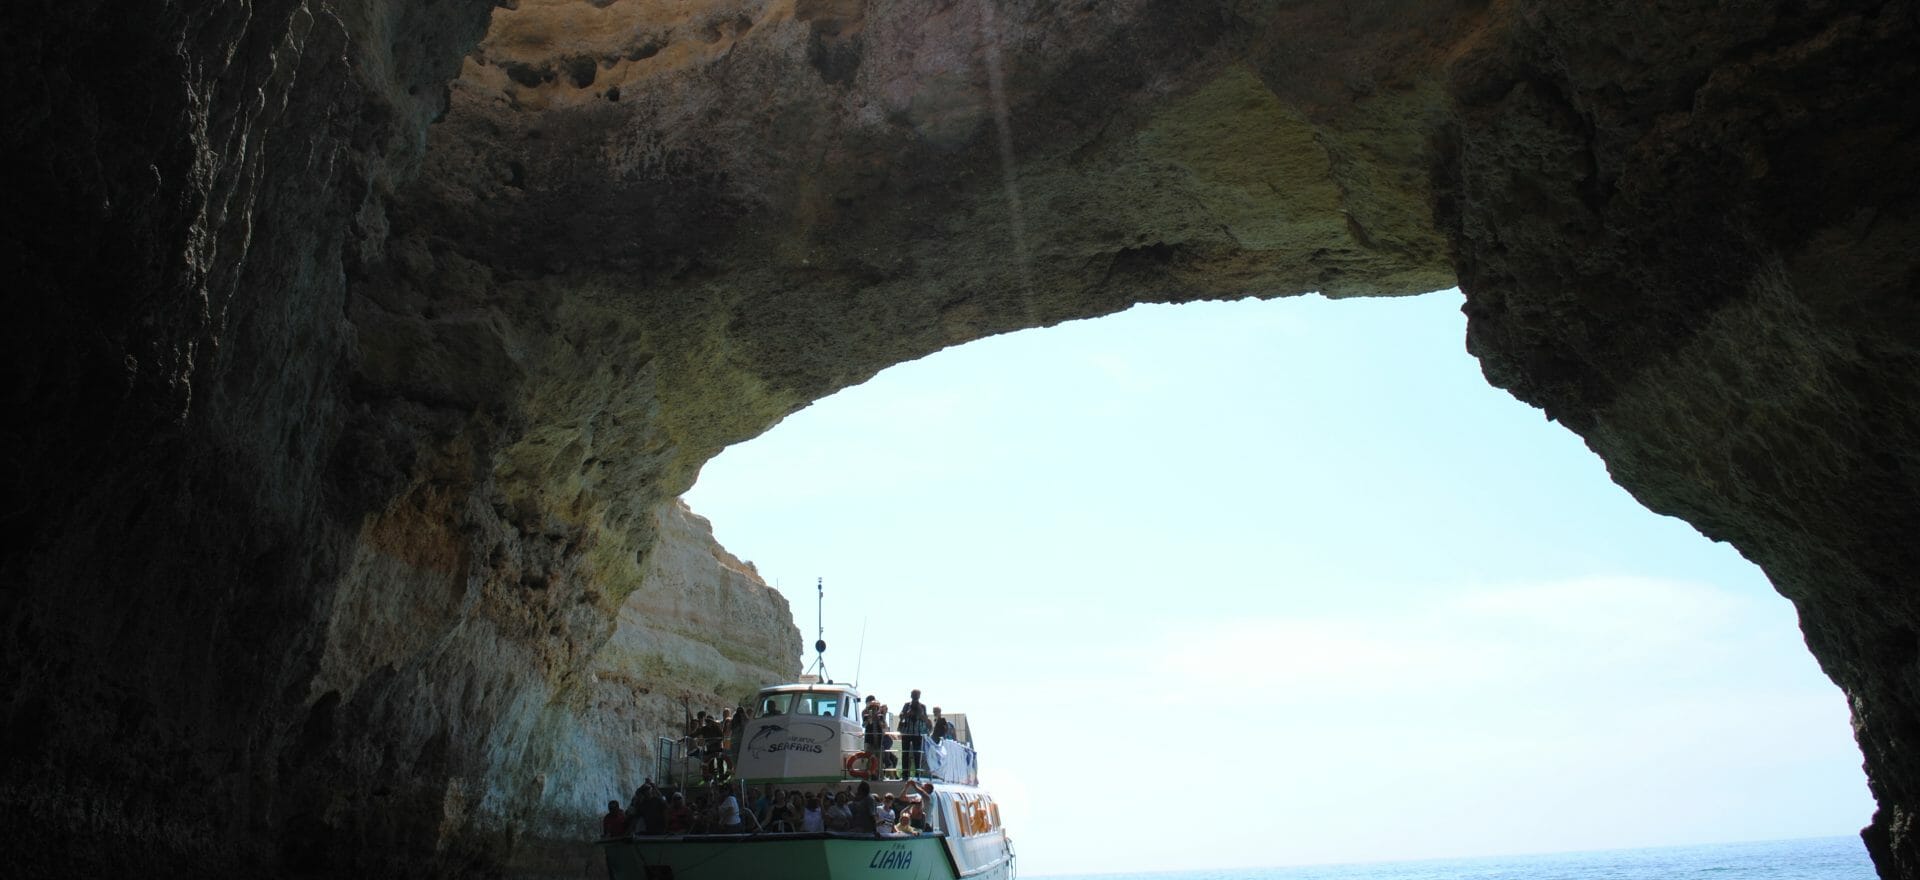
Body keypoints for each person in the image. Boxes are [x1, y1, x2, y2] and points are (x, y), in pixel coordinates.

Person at [899, 690, 928, 775]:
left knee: (917, 754)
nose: (915, 696)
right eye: (914, 694)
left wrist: (920, 713)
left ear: (919, 696)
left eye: (917, 695)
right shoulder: (907, 705)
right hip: (906, 733)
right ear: (911, 695)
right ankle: (905, 774)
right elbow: (901, 716)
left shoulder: (923, 706)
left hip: (917, 734)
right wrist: (907, 713)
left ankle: (917, 774)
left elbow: (926, 720)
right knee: (905, 754)